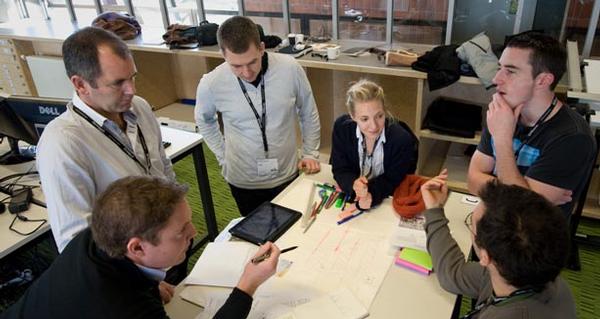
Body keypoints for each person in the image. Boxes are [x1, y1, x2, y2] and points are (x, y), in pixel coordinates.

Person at [0, 176, 280, 319]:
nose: (194, 232)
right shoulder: (122, 317)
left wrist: (147, 284)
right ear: (136, 248)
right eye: (181, 232)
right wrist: (247, 286)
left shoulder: (92, 240)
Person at [421, 170, 580, 319]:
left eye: (471, 228)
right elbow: (454, 273)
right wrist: (434, 211)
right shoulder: (542, 278)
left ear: (484, 256)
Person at [37, 27, 176, 254]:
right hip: (128, 269)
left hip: (167, 245)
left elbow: (162, 165)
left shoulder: (139, 107)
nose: (131, 90)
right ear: (80, 84)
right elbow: (76, 243)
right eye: (118, 82)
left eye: (132, 77)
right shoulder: (62, 143)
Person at [195, 16, 321, 216]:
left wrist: (309, 153)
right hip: (242, 179)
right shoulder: (211, 83)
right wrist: (222, 154)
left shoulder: (290, 68)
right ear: (223, 54)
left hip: (287, 173)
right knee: (256, 239)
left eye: (252, 62)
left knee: (291, 235)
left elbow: (308, 111)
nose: (246, 72)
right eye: (236, 66)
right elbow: (204, 120)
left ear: (262, 48)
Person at [467, 31, 596, 217]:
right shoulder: (502, 112)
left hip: (532, 243)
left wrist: (503, 139)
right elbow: (472, 181)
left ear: (543, 80)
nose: (496, 79)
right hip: (491, 229)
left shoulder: (573, 138)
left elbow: (523, 211)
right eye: (499, 68)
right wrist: (526, 194)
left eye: (510, 71)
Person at [330, 79, 418, 210]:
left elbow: (394, 180)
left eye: (379, 116)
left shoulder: (402, 140)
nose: (374, 126)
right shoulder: (342, 128)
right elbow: (340, 168)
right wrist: (353, 184)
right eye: (364, 119)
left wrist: (371, 194)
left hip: (387, 201)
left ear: (384, 111)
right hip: (356, 197)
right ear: (353, 116)